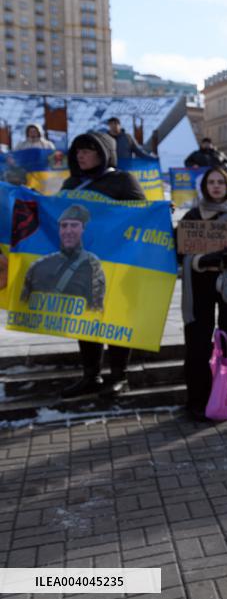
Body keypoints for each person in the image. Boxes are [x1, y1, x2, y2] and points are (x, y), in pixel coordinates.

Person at [59, 132, 145, 399]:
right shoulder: (72, 183)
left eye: (87, 150)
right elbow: (57, 218)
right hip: (82, 264)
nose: (80, 156)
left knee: (116, 317)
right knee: (86, 319)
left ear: (103, 152)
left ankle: (120, 377)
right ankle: (91, 375)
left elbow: (142, 217)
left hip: (117, 264)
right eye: (77, 152)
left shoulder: (122, 180)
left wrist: (159, 212)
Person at [178, 166, 227, 421]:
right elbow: (180, 250)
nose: (216, 186)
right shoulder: (193, 214)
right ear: (204, 186)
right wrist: (202, 258)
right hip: (200, 281)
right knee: (198, 340)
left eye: (221, 181)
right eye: (211, 182)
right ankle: (197, 399)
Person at [20, 204, 105, 310]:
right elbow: (21, 306)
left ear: (83, 228)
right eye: (64, 226)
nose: (68, 231)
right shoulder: (38, 265)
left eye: (74, 225)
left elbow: (96, 311)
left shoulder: (92, 265)